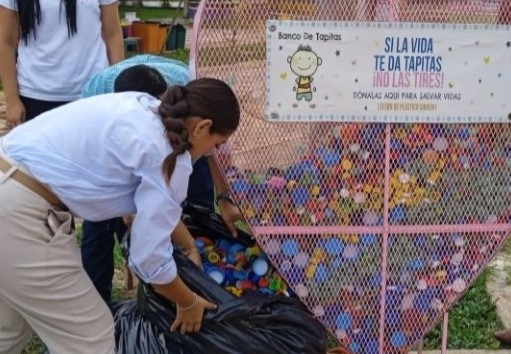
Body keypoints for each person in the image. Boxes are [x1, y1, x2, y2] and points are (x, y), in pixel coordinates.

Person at [0, 77, 240, 353]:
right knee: (93, 340)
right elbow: (149, 259)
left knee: (10, 329)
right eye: (217, 143)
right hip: (19, 214)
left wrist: (183, 243)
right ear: (202, 127)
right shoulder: (169, 157)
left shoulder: (144, 106)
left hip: (8, 179)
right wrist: (187, 301)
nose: (214, 151)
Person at [80, 56, 244, 307]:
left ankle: (180, 280)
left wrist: (223, 198)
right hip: (33, 198)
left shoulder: (189, 91)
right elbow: (127, 195)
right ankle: (98, 305)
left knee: (191, 211)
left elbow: (214, 144)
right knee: (100, 229)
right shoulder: (96, 99)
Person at [0, 0, 124, 127]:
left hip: (92, 92)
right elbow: (5, 42)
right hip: (36, 95)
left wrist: (119, 89)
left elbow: (112, 34)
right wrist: (12, 100)